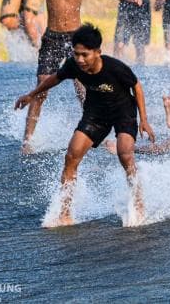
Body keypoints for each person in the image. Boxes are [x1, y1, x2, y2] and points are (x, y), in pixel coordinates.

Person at [0, 0, 141, 154]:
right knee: (41, 87)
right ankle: (27, 141)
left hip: (76, 38)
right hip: (52, 37)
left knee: (83, 89)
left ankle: (94, 131)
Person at [15, 24, 154, 227]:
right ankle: (65, 212)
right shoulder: (73, 65)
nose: (80, 59)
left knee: (124, 154)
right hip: (95, 114)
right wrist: (31, 94)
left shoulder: (115, 67)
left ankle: (138, 202)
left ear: (98, 52)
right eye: (76, 54)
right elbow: (54, 79)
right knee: (71, 156)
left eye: (85, 55)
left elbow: (137, 87)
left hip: (123, 112)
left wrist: (144, 120)